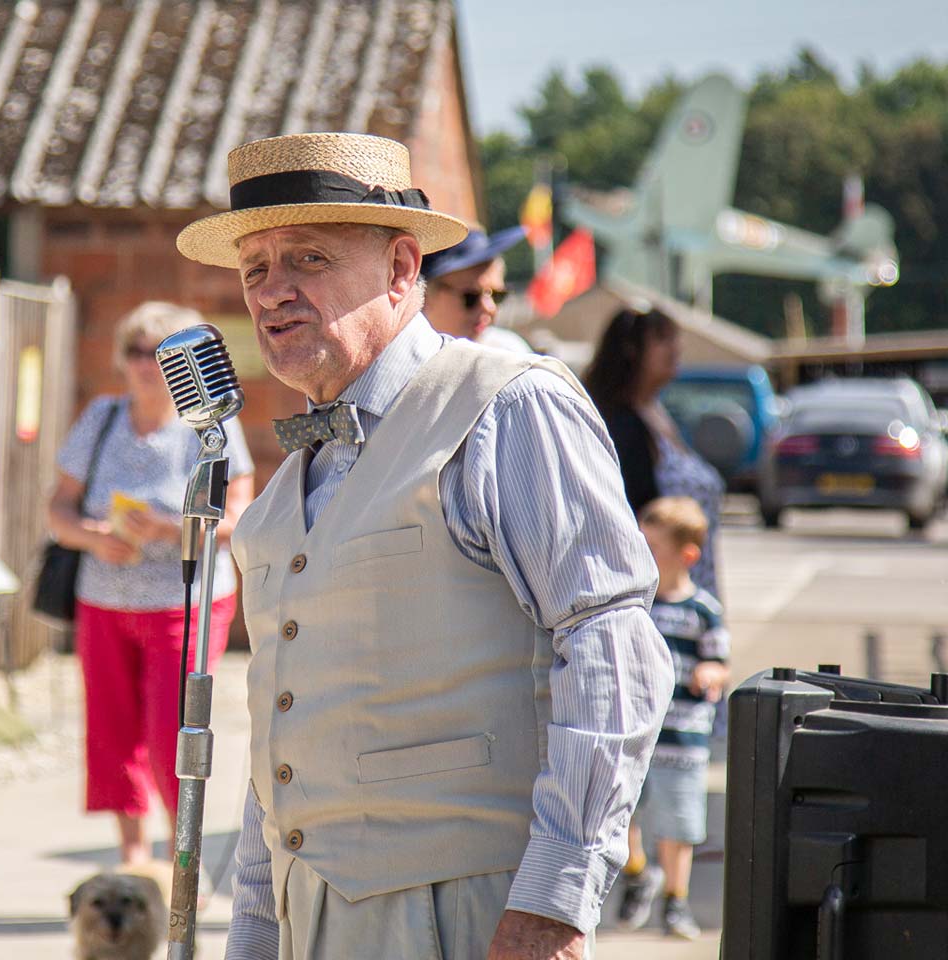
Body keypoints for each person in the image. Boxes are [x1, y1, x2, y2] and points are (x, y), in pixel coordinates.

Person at [175, 132, 673, 960]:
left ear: (404, 269)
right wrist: (255, 935)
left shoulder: (507, 407)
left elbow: (613, 644)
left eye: (308, 258)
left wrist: (555, 901)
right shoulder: (269, 508)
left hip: (472, 924)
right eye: (255, 268)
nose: (274, 293)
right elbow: (281, 763)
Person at [45, 301, 255, 867]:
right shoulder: (102, 417)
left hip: (183, 602)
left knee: (172, 734)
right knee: (112, 733)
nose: (145, 364)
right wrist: (92, 537)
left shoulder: (209, 425)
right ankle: (134, 861)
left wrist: (172, 527)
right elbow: (57, 511)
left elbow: (241, 515)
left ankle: (183, 860)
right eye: (136, 351)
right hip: (104, 598)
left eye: (160, 353)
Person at [612, 496, 729, 940]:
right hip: (636, 735)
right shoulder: (634, 605)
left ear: (687, 555)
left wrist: (711, 672)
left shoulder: (703, 611)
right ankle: (639, 874)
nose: (644, 554)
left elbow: (719, 659)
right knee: (623, 817)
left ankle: (676, 902)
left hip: (683, 740)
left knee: (677, 826)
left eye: (653, 547)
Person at [583, 305, 726, 598]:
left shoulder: (656, 412)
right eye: (663, 339)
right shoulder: (620, 424)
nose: (676, 348)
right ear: (631, 350)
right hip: (659, 601)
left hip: (691, 590)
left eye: (675, 338)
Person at [420, 226, 534, 352]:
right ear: (425, 297)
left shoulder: (509, 351)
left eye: (497, 295)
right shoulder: (406, 360)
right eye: (470, 297)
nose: (489, 307)